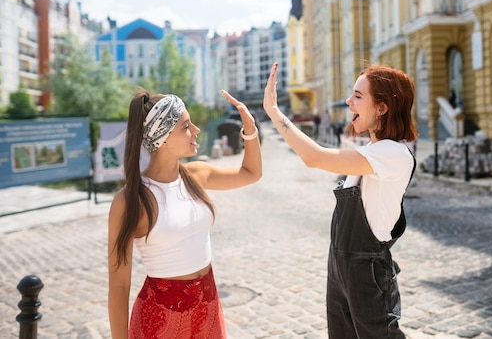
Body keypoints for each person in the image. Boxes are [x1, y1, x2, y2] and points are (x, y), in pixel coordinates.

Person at [263, 62, 417, 338]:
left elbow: (315, 157)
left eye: (358, 96)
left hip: (366, 270)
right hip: (340, 266)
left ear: (382, 107)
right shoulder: (372, 151)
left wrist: (274, 112)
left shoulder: (393, 154)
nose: (348, 101)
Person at [108, 90, 262, 339]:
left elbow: (251, 173)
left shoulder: (196, 175)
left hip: (208, 306)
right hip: (160, 320)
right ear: (164, 137)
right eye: (186, 126)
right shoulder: (129, 200)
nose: (197, 130)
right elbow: (119, 285)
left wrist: (250, 129)